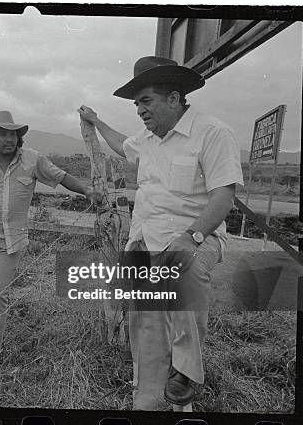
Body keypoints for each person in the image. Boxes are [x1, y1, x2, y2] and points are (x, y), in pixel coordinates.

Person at [78, 56, 244, 409]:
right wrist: (96, 121)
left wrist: (192, 236)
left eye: (146, 101)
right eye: (137, 103)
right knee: (148, 323)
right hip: (145, 241)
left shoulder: (212, 132)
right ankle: (149, 399)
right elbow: (121, 143)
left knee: (186, 269)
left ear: (173, 98)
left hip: (196, 237)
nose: (139, 110)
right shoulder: (148, 138)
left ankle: (187, 370)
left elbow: (224, 194)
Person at [0, 110, 94, 374]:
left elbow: (61, 177)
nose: (9, 140)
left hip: (10, 242)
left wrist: (86, 191)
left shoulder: (32, 160)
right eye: (2, 135)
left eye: (13, 135)